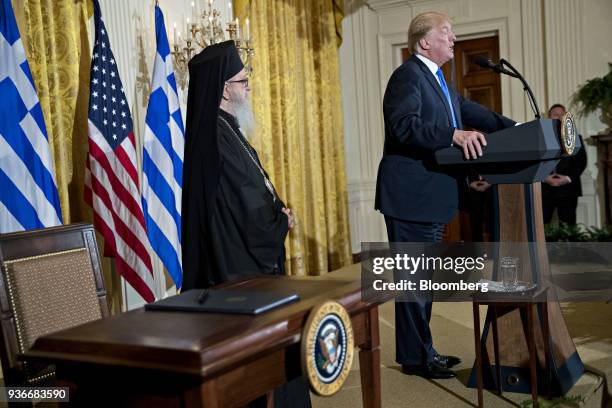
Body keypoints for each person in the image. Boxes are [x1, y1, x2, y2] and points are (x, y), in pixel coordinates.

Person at [374, 11, 516, 379]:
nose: (453, 38)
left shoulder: (437, 80)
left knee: (422, 281)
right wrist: (453, 135)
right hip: (410, 196)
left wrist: (519, 129)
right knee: (414, 282)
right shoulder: (407, 76)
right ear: (424, 41)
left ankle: (421, 352)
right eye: (446, 32)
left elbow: (474, 112)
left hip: (429, 197)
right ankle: (419, 358)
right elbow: (404, 125)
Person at [181, 41, 308, 408]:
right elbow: (247, 205)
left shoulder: (226, 129)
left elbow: (256, 188)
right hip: (237, 266)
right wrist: (278, 222)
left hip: (241, 255)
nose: (248, 88)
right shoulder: (217, 138)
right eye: (244, 81)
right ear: (224, 88)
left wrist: (277, 211)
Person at [542, 104, 587, 225]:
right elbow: (536, 162)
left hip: (568, 190)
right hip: (545, 189)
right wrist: (544, 177)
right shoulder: (541, 138)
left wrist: (567, 178)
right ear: (549, 117)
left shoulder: (576, 137)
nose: (558, 118)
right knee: (543, 227)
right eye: (555, 115)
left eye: (561, 115)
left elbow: (581, 162)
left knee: (568, 226)